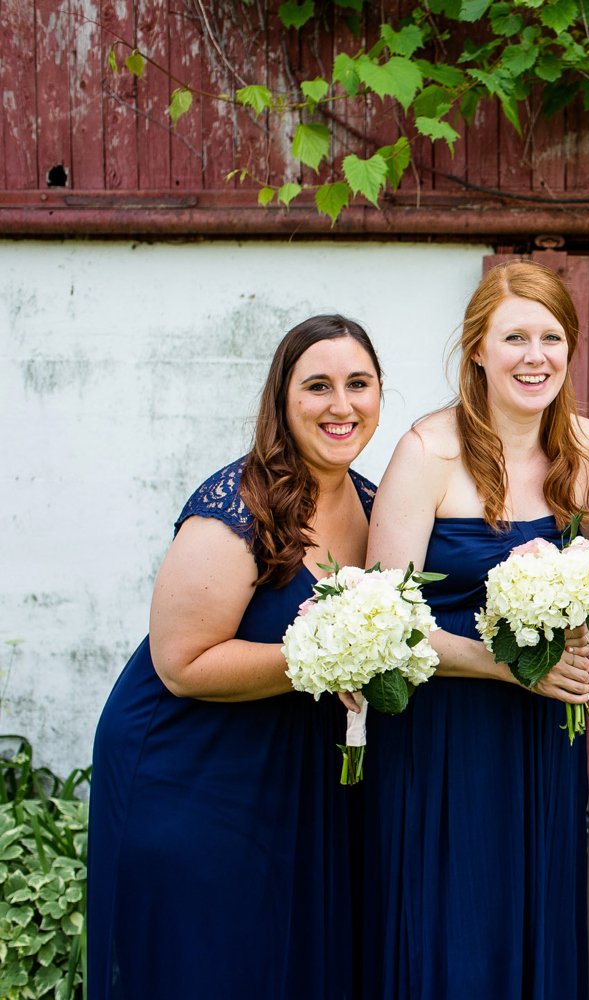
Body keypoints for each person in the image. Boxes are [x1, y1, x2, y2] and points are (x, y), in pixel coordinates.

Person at [89, 315, 382, 999]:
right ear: (282, 401)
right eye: (318, 386)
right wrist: (322, 654)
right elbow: (180, 663)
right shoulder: (238, 505)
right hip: (191, 772)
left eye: (358, 384)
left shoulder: (376, 503)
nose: (341, 406)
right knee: (208, 964)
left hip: (293, 776)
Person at [362, 261, 589, 999]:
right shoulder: (427, 452)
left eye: (551, 338)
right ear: (477, 349)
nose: (535, 357)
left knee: (535, 906)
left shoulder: (586, 449)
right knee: (454, 919)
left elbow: (586, 589)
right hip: (445, 731)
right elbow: (388, 622)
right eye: (514, 339)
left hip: (545, 737)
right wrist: (507, 667)